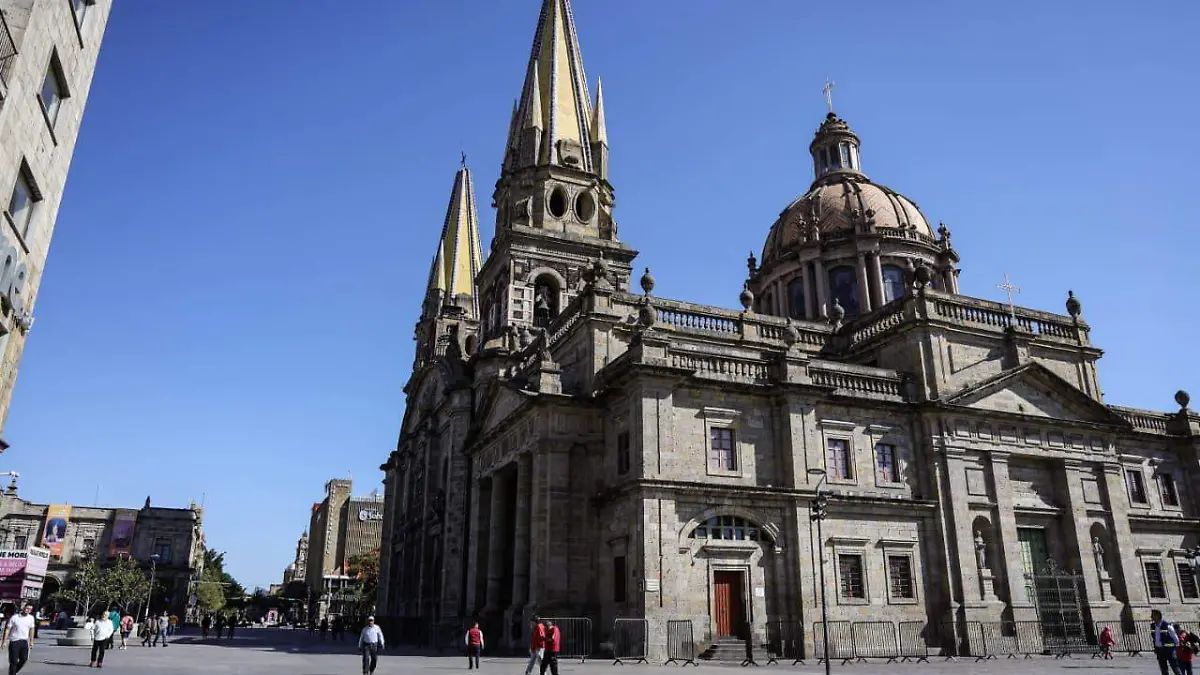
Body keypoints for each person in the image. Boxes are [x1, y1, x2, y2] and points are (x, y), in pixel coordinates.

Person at [2, 603, 36, 675]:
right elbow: (8, 629)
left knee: (24, 659)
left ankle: (13, 672)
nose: (28, 610)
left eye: (30, 609)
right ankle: (12, 673)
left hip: (24, 641)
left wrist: (32, 641)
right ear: (24, 608)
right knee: (13, 660)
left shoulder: (31, 618)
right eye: (27, 608)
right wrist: (4, 641)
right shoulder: (14, 617)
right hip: (14, 641)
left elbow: (32, 630)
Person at [1152, 610, 1182, 675]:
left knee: (1175, 668)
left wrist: (1173, 649)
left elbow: (1176, 640)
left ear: (1158, 616)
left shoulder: (1168, 627)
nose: (1151, 617)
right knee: (1163, 669)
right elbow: (1155, 638)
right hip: (1159, 650)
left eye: (1153, 615)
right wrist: (1156, 647)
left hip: (1169, 650)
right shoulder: (1153, 626)